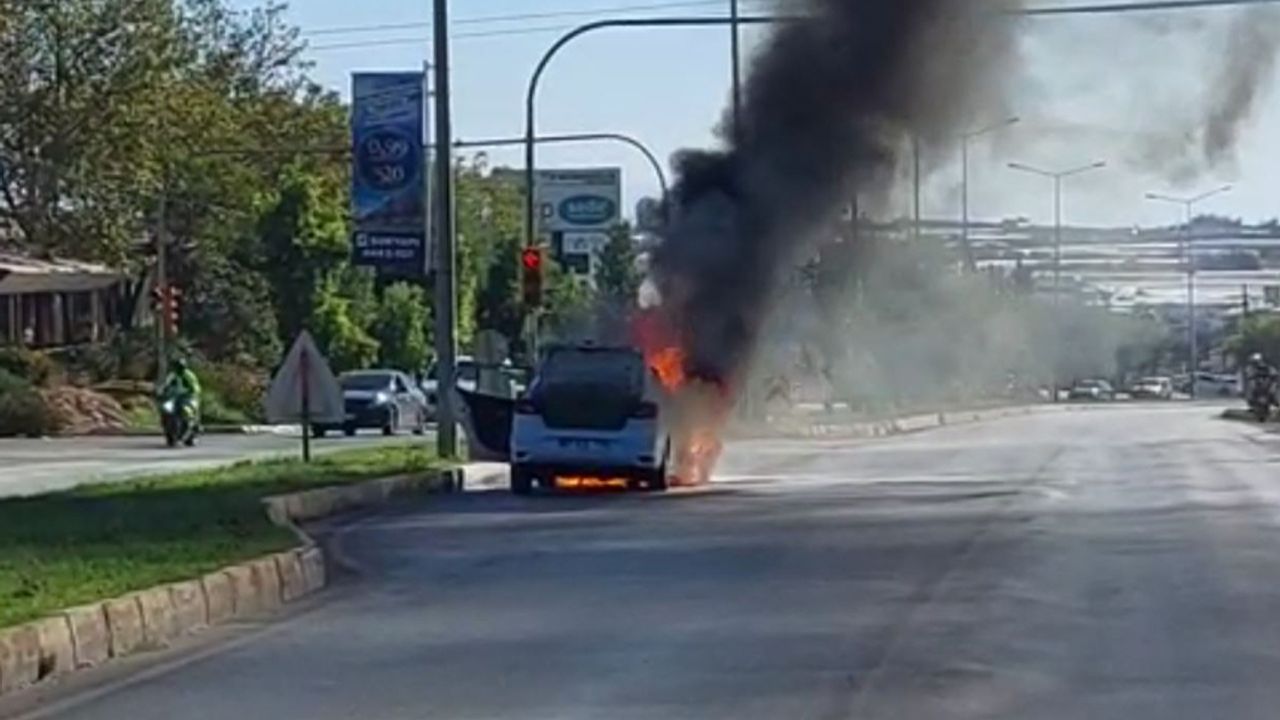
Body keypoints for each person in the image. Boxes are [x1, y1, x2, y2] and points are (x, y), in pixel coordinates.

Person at [161, 358, 202, 425]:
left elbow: (195, 386)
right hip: (175, 397)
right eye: (177, 367)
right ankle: (166, 423)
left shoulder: (189, 375)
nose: (179, 369)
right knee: (165, 407)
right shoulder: (173, 375)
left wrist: (193, 391)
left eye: (180, 367)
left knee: (190, 408)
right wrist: (164, 391)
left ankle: (194, 422)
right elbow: (167, 384)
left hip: (188, 397)